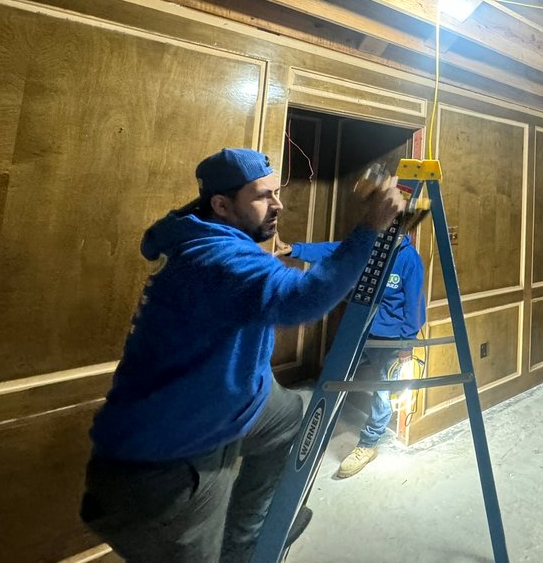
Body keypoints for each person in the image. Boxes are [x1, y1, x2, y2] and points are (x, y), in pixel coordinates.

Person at [80, 148, 403, 562]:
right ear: (221, 205)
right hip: (163, 465)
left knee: (295, 415)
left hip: (223, 406)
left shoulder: (201, 232)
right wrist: (370, 228)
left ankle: (246, 536)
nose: (278, 204)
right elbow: (303, 299)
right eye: (263, 196)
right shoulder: (215, 256)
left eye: (276, 192)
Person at [276, 219, 425, 478]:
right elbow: (334, 249)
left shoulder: (409, 259)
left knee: (383, 391)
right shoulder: (369, 246)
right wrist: (294, 249)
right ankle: (313, 431)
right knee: (333, 373)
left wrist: (406, 345)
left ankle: (368, 444)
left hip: (390, 339)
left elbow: (414, 306)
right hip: (359, 329)